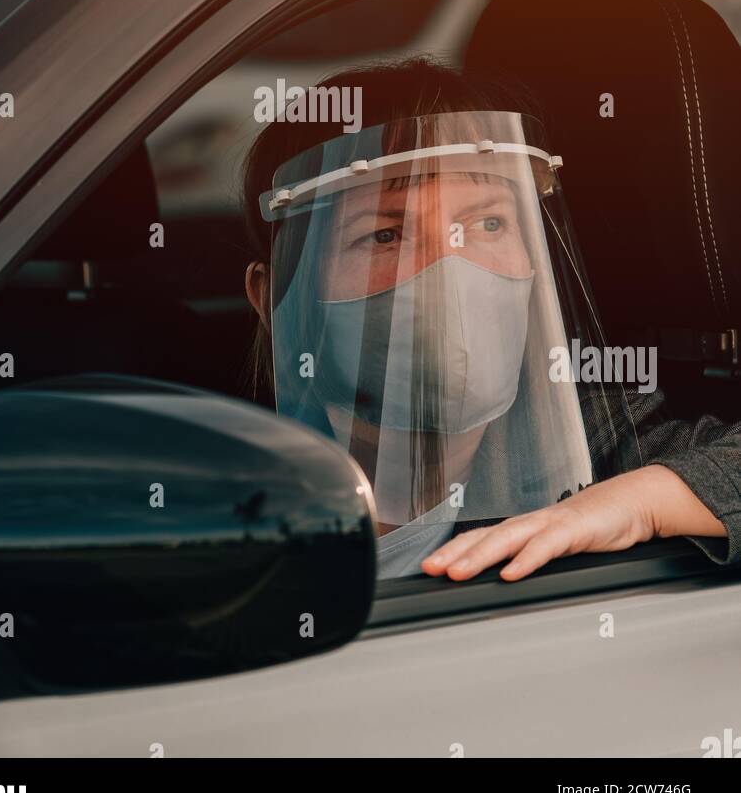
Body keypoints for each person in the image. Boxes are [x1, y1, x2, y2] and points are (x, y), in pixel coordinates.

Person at [242, 57, 738, 581]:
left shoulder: (596, 448)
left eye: (489, 222)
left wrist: (643, 501)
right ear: (274, 297)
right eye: (386, 235)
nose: (450, 268)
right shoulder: (216, 493)